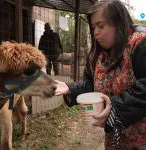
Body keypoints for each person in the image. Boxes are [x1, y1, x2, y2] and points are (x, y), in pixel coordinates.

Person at [54, 0, 146, 149]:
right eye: (93, 27)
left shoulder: (140, 44)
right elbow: (92, 84)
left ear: (119, 23)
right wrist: (70, 88)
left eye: (101, 26)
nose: (95, 32)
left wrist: (116, 108)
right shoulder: (97, 54)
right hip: (114, 139)